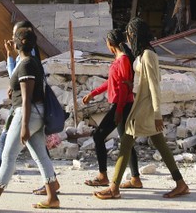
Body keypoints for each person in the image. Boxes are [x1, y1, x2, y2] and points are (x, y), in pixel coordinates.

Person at [94, 17, 189, 200]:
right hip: (142, 104)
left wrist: (157, 113)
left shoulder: (148, 55)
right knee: (159, 144)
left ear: (136, 34)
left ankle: (114, 188)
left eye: (130, 34)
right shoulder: (142, 54)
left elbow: (154, 85)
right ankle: (180, 183)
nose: (128, 38)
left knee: (126, 143)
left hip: (146, 107)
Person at [0, 26, 59, 211]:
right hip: (37, 113)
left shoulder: (26, 64)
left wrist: (25, 125)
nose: (12, 40)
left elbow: (27, 98)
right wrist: (10, 57)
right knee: (41, 156)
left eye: (14, 38)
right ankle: (52, 198)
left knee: (8, 155)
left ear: (20, 43)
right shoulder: (31, 61)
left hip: (27, 114)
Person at [81, 29, 142, 189]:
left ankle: (103, 176)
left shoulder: (122, 61)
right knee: (126, 142)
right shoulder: (120, 59)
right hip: (123, 104)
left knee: (98, 137)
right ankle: (135, 178)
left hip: (122, 104)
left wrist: (119, 110)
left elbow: (123, 88)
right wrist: (92, 94)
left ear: (110, 44)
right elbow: (111, 83)